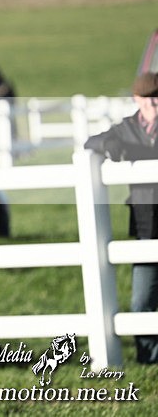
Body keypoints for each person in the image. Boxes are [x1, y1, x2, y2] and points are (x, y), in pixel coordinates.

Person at [85, 72, 158, 364]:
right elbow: (92, 141)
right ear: (136, 100)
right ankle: (148, 358)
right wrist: (109, 146)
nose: (154, 103)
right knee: (141, 299)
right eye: (148, 98)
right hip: (146, 225)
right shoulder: (127, 128)